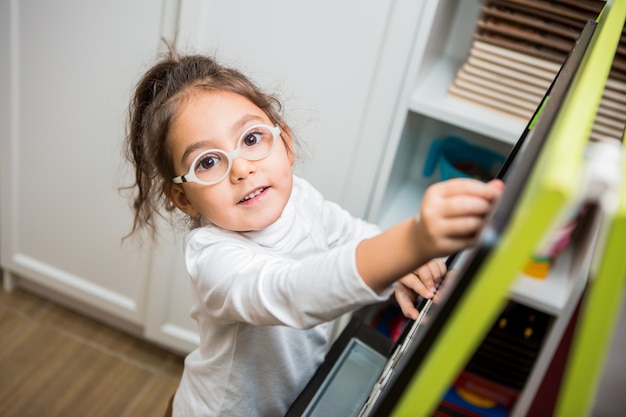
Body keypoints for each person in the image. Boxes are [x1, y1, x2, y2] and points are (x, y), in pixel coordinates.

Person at [124, 48, 503, 417]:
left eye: (252, 139)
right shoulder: (212, 258)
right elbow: (292, 291)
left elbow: (352, 235)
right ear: (183, 199)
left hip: (294, 394)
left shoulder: (300, 199)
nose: (241, 169)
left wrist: (407, 265)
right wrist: (411, 242)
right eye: (208, 162)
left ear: (284, 142)